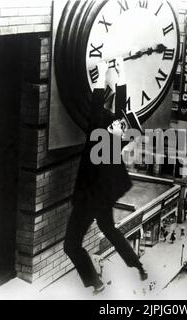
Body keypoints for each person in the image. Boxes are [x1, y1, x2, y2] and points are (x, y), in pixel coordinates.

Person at [63, 59, 147, 295]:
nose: (116, 122)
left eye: (120, 125)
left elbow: (94, 113)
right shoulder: (113, 143)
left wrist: (100, 79)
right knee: (108, 228)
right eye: (118, 122)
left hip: (89, 199)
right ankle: (137, 264)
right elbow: (121, 112)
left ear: (121, 134)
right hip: (103, 196)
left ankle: (95, 282)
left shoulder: (99, 141)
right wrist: (120, 78)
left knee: (71, 245)